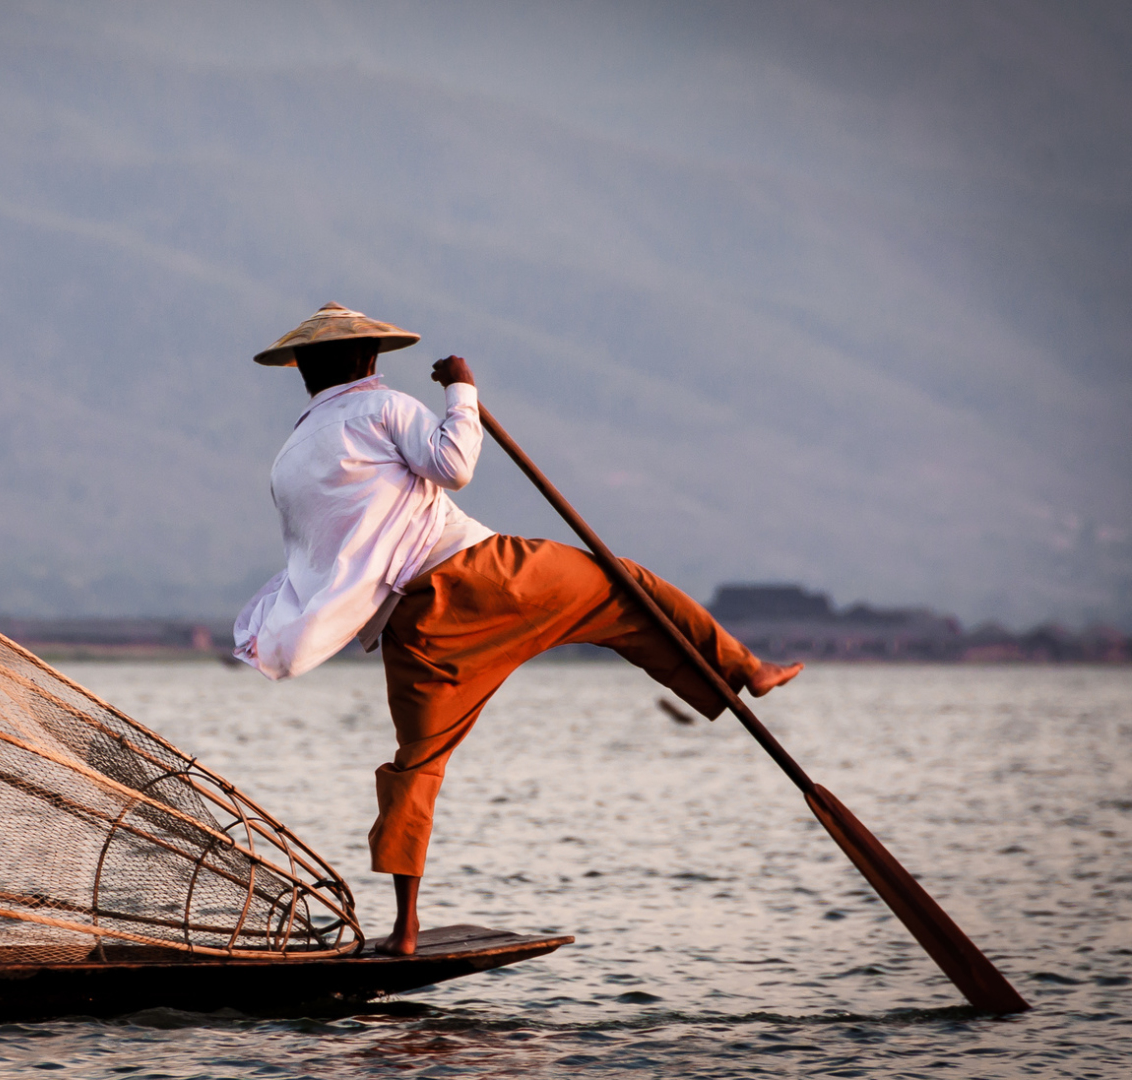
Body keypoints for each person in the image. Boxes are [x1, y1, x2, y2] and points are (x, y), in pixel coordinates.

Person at [233, 303, 803, 956]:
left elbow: (322, 555)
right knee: (627, 589)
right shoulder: (382, 406)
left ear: (304, 369)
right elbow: (454, 464)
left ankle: (406, 928)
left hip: (413, 623)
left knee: (416, 765)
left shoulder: (291, 454)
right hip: (484, 577)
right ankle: (742, 669)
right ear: (368, 361)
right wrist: (461, 388)